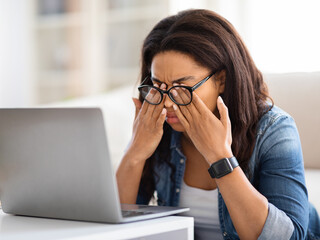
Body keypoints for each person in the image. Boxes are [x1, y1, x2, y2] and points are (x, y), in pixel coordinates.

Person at [116, 9, 320, 240]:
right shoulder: (160, 128)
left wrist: (219, 157)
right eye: (158, 86)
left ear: (221, 80)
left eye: (182, 87)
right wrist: (135, 153)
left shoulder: (274, 129)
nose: (167, 102)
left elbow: (290, 238)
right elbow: (118, 222)